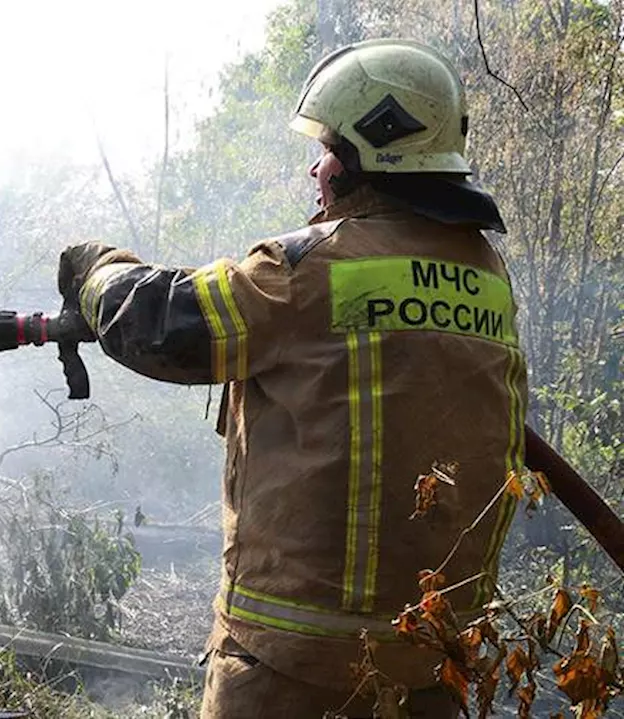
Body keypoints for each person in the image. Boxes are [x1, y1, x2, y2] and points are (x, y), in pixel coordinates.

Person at [59, 39, 528, 718]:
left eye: (331, 148)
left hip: (293, 671)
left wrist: (96, 270)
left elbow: (167, 325)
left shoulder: (315, 269)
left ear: (376, 149)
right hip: (428, 665)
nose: (317, 168)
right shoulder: (488, 277)